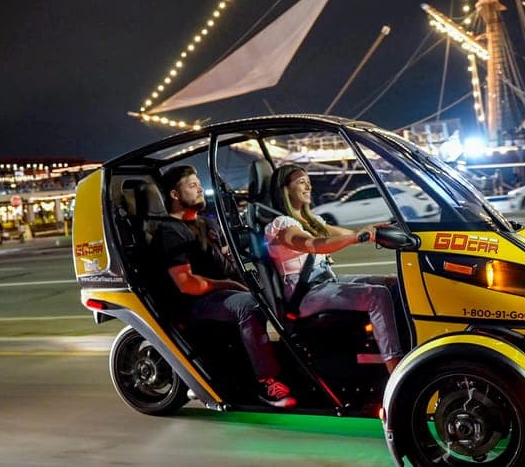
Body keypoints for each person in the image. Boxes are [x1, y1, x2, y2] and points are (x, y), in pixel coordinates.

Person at [150, 165, 296, 408]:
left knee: (284, 294)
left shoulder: (207, 225)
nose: (199, 190)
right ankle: (266, 381)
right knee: (250, 305)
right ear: (175, 195)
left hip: (225, 292)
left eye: (199, 184)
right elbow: (186, 284)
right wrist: (229, 284)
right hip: (198, 302)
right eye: (192, 185)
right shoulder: (170, 231)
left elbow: (227, 255)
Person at [265, 164, 404, 374]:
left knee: (392, 282)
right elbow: (313, 244)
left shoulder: (312, 220)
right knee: (377, 295)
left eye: (308, 182)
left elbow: (349, 234)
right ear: (285, 189)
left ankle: (402, 343)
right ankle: (395, 366)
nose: (308, 186)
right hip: (304, 294)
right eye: (301, 182)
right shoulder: (281, 225)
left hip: (326, 282)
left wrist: (377, 230)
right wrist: (355, 237)